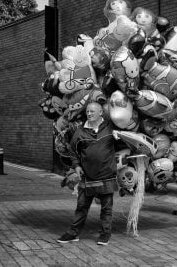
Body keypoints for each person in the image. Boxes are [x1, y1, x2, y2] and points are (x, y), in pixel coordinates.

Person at [57, 102, 117, 245]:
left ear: (101, 112)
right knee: (81, 207)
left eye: (92, 111)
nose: (89, 114)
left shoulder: (110, 127)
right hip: (87, 176)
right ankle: (73, 233)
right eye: (88, 112)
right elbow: (72, 151)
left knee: (106, 209)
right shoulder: (80, 132)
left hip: (107, 175)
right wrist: (76, 166)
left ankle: (105, 234)